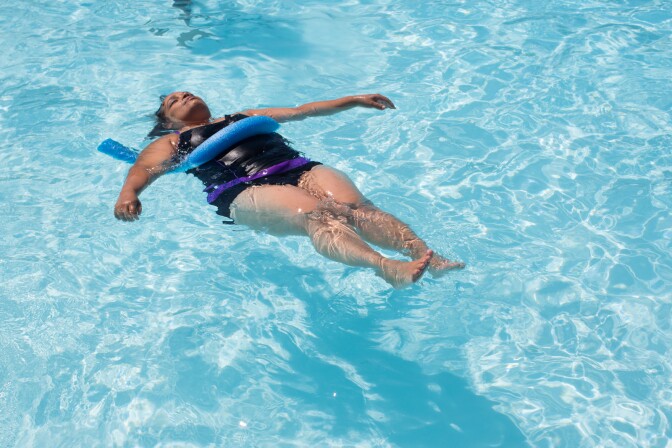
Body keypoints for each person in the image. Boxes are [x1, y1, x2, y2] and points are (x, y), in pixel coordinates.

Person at [114, 92, 464, 288]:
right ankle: (385, 267)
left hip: (298, 168)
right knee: (319, 216)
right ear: (168, 122)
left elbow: (304, 110)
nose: (183, 95)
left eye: (186, 91)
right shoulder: (175, 141)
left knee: (357, 208)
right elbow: (144, 168)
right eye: (174, 101)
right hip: (243, 188)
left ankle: (428, 257)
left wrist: (353, 100)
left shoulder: (244, 116)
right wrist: (130, 194)